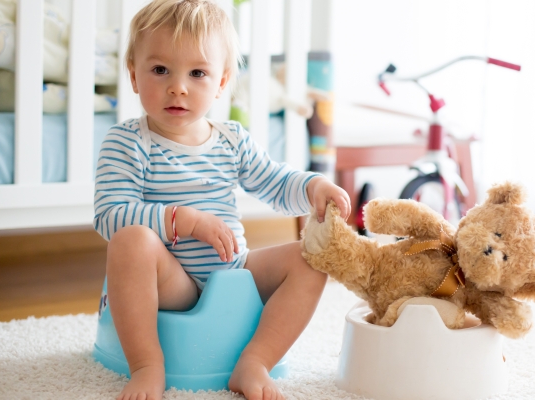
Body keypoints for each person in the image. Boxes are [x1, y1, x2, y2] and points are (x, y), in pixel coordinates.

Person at [93, 1, 350, 399]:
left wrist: (313, 187)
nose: (178, 86)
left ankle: (255, 361)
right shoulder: (128, 142)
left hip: (235, 270)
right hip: (171, 280)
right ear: (133, 74)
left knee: (313, 259)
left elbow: (275, 182)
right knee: (130, 240)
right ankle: (147, 364)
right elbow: (111, 215)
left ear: (222, 81)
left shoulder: (231, 139)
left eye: (197, 73)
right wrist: (186, 221)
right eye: (160, 70)